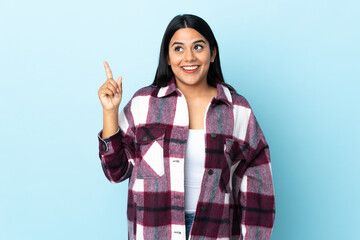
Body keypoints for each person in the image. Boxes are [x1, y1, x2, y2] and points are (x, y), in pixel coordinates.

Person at [97, 14, 275, 240]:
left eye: (198, 47)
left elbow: (259, 192)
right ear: (168, 58)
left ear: (212, 53)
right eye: (178, 49)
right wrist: (110, 111)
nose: (189, 57)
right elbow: (115, 172)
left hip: (216, 233)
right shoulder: (144, 104)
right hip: (155, 232)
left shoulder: (238, 110)